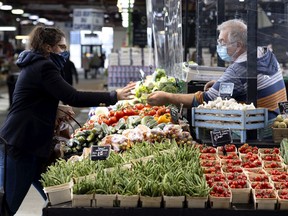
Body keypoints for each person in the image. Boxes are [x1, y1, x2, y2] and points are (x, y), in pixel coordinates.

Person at [0, 26, 135, 215]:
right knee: (7, 206)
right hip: (21, 145)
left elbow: (30, 99)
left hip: (34, 144)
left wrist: (54, 107)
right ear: (48, 47)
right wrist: (114, 95)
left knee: (60, 196)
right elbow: (74, 97)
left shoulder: (34, 64)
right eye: (62, 47)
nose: (65, 52)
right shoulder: (44, 66)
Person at [147, 19, 287, 138]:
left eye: (222, 42)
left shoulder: (238, 70)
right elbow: (250, 84)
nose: (219, 46)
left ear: (238, 45)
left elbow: (205, 99)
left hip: (260, 131)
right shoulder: (265, 54)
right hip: (279, 121)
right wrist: (222, 85)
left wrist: (168, 97)